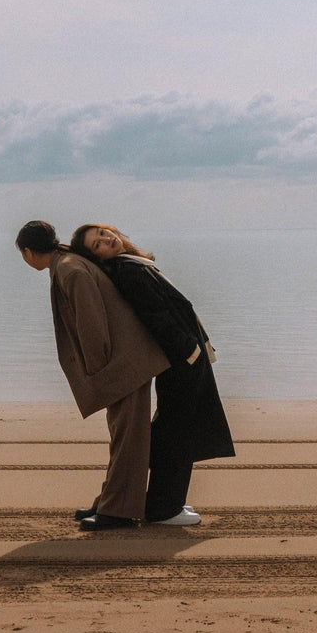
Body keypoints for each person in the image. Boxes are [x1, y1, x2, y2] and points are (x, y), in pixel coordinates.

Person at [15, 220, 177, 531]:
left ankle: (118, 512)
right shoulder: (68, 262)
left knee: (129, 439)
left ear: (27, 252)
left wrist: (99, 370)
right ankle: (111, 501)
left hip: (124, 364)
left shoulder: (69, 269)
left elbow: (91, 322)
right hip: (128, 359)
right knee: (124, 436)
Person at [69, 223, 235, 527]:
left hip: (180, 359)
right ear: (97, 258)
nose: (107, 240)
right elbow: (155, 316)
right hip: (181, 360)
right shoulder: (128, 271)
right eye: (97, 244)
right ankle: (164, 509)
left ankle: (146, 500)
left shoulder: (133, 264)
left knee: (171, 430)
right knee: (178, 432)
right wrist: (189, 351)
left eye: (104, 233)